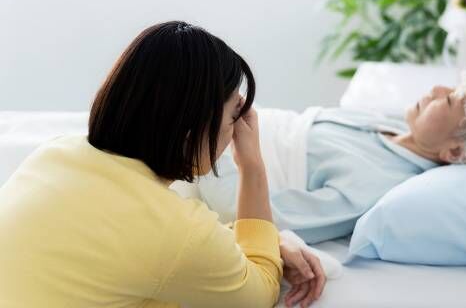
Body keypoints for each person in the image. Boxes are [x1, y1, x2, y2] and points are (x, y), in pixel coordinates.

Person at [0, 21, 325, 308]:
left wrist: (265, 240)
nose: (234, 133)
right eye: (232, 118)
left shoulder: (54, 153)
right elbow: (259, 293)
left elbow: (133, 243)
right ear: (193, 130)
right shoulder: (175, 231)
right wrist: (252, 166)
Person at [197, 66, 466, 245]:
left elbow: (253, 217)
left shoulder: (377, 188)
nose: (436, 88)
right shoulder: (392, 127)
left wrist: (211, 140)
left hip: (207, 161)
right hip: (224, 126)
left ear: (455, 151)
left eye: (449, 100)